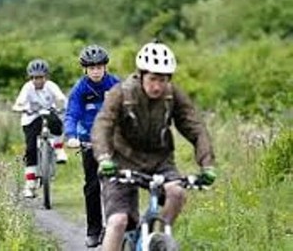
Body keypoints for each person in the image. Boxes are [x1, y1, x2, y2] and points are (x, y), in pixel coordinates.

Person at [91, 40, 217, 251]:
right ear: (141, 75)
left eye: (163, 80)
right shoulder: (121, 93)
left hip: (160, 161)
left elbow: (195, 127)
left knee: (177, 193)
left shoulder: (172, 95)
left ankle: (159, 238)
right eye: (153, 79)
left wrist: (207, 164)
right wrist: (104, 158)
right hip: (120, 162)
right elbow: (103, 125)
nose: (157, 86)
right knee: (118, 222)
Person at [64, 45, 120, 247]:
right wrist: (70, 135)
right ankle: (94, 230)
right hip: (89, 141)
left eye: (99, 67)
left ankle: (118, 227)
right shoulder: (80, 89)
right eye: (91, 67)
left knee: (117, 184)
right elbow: (72, 114)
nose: (96, 71)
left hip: (113, 141)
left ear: (105, 67)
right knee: (92, 186)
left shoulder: (115, 84)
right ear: (85, 69)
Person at [12, 59, 68, 198]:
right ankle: (30, 185)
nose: (38, 81)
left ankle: (59, 148)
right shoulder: (27, 88)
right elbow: (19, 103)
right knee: (30, 149)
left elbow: (61, 99)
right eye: (35, 78)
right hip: (31, 118)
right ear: (31, 78)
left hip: (48, 114)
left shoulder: (51, 86)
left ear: (46, 77)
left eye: (41, 77)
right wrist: (21, 108)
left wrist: (60, 106)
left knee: (56, 123)